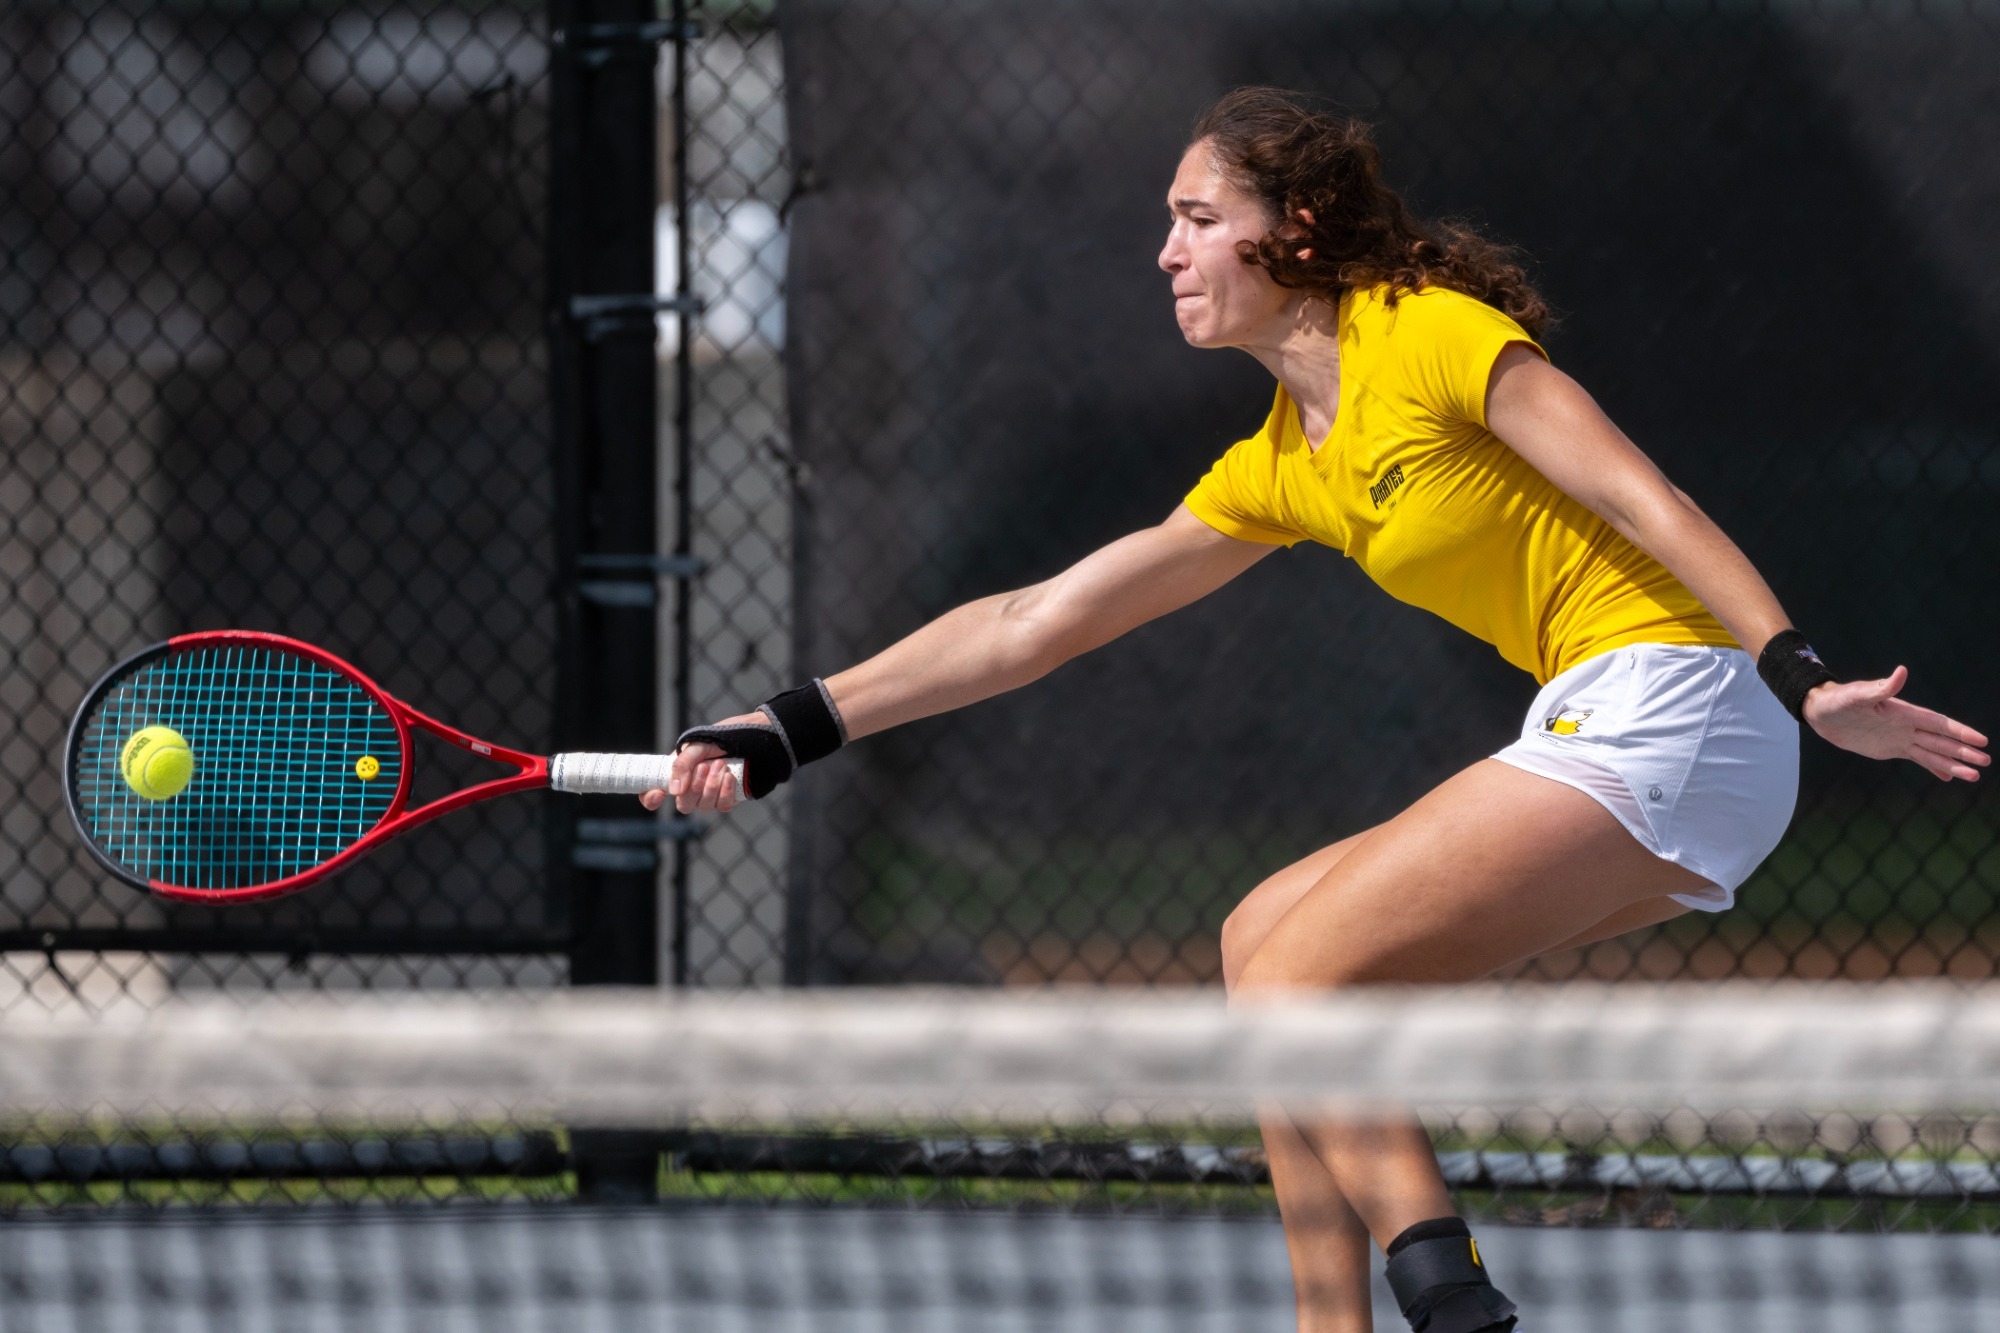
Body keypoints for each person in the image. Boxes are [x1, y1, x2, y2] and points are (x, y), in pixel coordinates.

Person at [645, 87, 1989, 1333]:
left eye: (1196, 218)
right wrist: (786, 728)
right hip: (1615, 724)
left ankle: (1451, 1305)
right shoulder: (1284, 462)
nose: (1167, 252)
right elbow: (1031, 622)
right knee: (1260, 942)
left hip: (1680, 702)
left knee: (1303, 975)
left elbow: (1646, 498)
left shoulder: (1430, 329)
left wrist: (1803, 679)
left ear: (1293, 229)